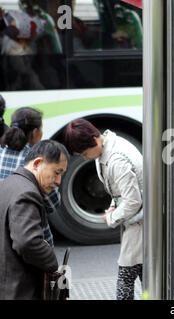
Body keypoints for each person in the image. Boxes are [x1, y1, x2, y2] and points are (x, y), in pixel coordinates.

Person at [63, 118, 143, 300]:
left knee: (126, 276)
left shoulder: (116, 159)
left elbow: (132, 201)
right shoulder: (108, 147)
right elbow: (122, 192)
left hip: (140, 222)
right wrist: (113, 206)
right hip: (137, 219)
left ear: (95, 140)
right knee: (143, 273)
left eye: (84, 153)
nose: (84, 158)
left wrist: (112, 218)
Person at [0, 140, 68, 299]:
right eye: (57, 172)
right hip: (20, 290)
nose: (58, 182)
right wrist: (52, 263)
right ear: (37, 163)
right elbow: (27, 242)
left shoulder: (8, 183)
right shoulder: (27, 193)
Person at [0, 107, 61, 248]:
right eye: (41, 129)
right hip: (27, 235)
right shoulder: (37, 162)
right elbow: (52, 204)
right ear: (35, 133)